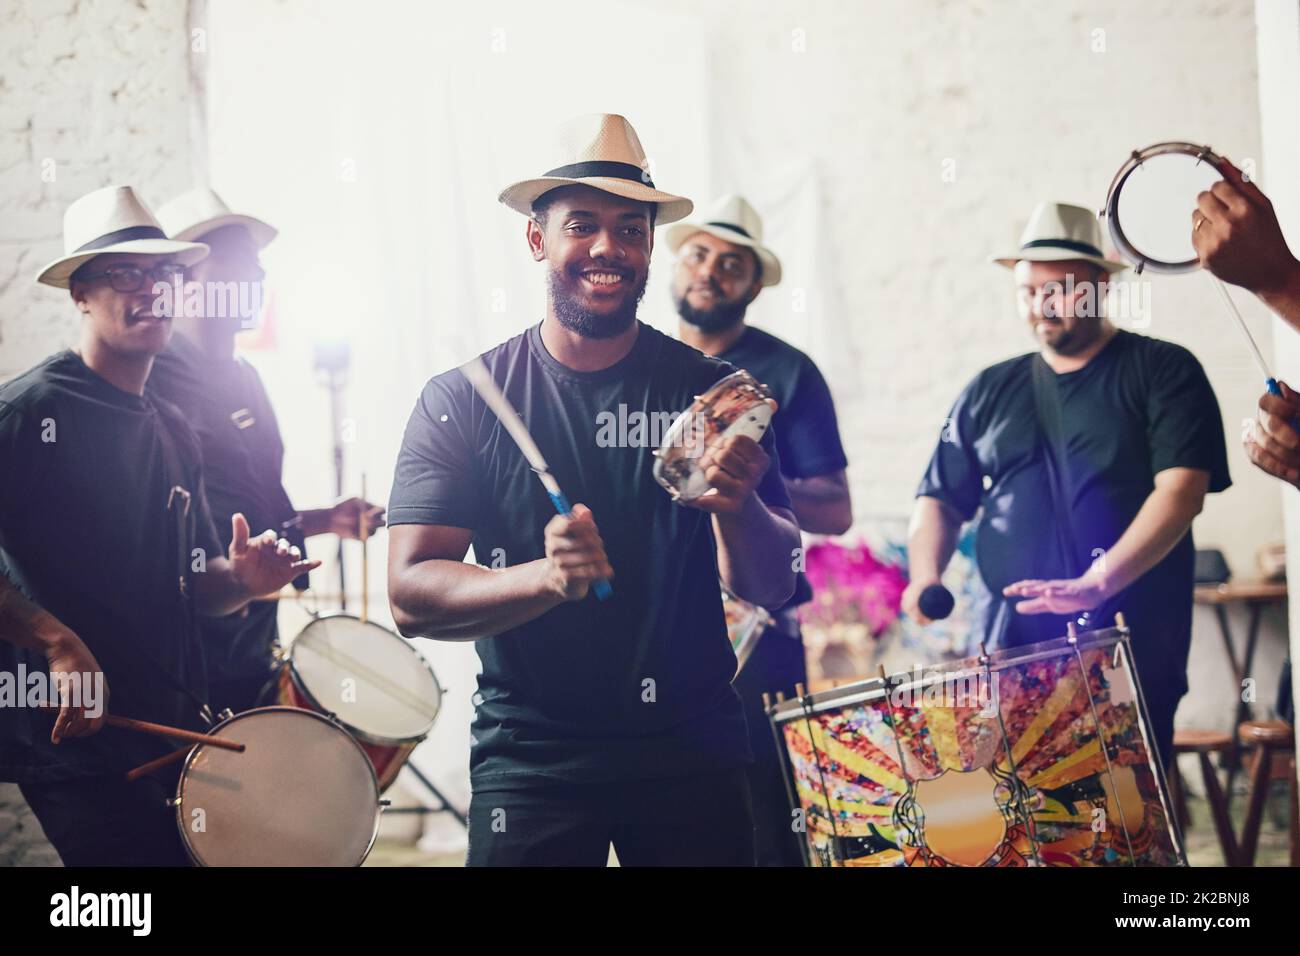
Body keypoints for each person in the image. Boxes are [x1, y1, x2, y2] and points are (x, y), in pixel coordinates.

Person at [386, 114, 800, 866]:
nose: (609, 247)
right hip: (532, 758)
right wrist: (542, 579)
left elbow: (771, 586)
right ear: (538, 240)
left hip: (690, 749)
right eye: (583, 225)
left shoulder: (714, 393)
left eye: (630, 229)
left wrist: (739, 511)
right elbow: (411, 596)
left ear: (647, 248)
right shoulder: (463, 399)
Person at [0, 185, 318, 865]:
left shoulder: (171, 428)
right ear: (80, 294)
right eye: (125, 274)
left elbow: (197, 585)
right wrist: (54, 642)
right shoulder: (30, 412)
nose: (151, 290)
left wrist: (242, 580)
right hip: (76, 740)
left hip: (171, 731)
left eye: (164, 273)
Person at [903, 201, 1231, 767]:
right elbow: (938, 497)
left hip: (1130, 628)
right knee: (1020, 798)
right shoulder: (988, 388)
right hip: (1010, 640)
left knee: (1131, 798)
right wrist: (923, 578)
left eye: (1058, 291)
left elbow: (1182, 491)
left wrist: (1097, 582)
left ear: (1101, 286)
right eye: (1029, 291)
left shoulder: (1166, 371)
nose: (1041, 306)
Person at [148, 188, 384, 714]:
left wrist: (329, 519)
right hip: (186, 655)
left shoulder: (244, 377)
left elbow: (251, 505)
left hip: (249, 643)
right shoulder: (152, 380)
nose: (255, 281)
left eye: (256, 269)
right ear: (183, 282)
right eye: (236, 267)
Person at [669, 194, 851, 866]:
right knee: (668, 805)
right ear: (677, 263)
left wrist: (748, 487)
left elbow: (835, 509)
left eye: (732, 263)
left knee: (767, 808)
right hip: (661, 619)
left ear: (753, 284)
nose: (710, 270)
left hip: (761, 621)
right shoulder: (639, 361)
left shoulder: (789, 371)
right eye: (698, 253)